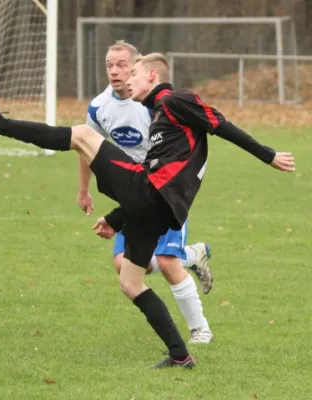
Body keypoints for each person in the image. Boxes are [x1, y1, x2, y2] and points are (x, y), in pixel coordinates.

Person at [0, 53, 295, 369]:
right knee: (130, 283)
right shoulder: (159, 115)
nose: (128, 79)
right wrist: (116, 219)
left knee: (83, 136)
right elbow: (161, 180)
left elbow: (220, 124)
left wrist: (267, 155)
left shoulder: (173, 99)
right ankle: (180, 355)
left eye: (135, 73)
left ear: (152, 76)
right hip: (156, 207)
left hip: (151, 195)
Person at [78, 41, 213, 344]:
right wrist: (84, 189)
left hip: (165, 192)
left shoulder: (154, 103)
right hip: (133, 194)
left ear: (138, 67)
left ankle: (200, 330)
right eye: (109, 65)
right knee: (122, 266)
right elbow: (86, 146)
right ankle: (192, 255)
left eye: (122, 65)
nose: (115, 71)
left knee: (166, 262)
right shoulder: (99, 107)